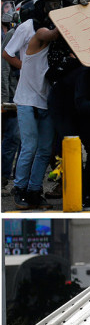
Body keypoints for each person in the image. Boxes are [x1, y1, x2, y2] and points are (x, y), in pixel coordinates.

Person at [12, 0, 63, 210]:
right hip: (26, 99)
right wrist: (24, 68)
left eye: (58, 4)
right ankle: (20, 189)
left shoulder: (50, 30)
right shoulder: (36, 30)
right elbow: (7, 52)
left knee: (44, 149)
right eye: (51, 5)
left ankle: (34, 190)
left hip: (45, 98)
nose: (55, 8)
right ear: (41, 7)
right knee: (30, 147)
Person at [2, 11, 20, 194]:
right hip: (13, 96)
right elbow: (4, 65)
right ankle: (3, 176)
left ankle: (21, 181)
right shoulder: (13, 35)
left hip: (29, 94)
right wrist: (4, 98)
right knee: (12, 136)